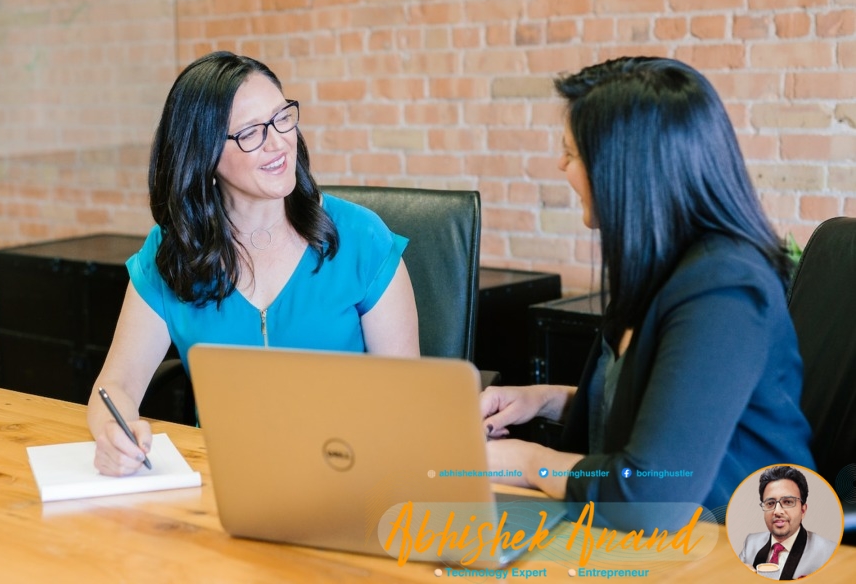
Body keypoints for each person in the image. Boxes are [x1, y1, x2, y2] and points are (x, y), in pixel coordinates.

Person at [480, 57, 815, 528]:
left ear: (624, 170)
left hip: (734, 545)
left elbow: (652, 492)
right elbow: (658, 411)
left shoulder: (724, 290)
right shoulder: (659, 265)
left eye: (571, 153)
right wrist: (545, 399)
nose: (560, 165)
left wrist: (529, 461)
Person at [88, 51, 419, 476]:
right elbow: (114, 386)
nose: (279, 141)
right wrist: (112, 435)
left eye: (283, 118)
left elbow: (407, 398)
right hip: (224, 481)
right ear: (204, 155)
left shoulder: (361, 238)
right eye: (250, 133)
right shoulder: (172, 254)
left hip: (349, 473)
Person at [739, 466, 837, 579]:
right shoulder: (751, 542)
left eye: (787, 502)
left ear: (803, 510)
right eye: (770, 503)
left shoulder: (827, 551)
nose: (777, 511)